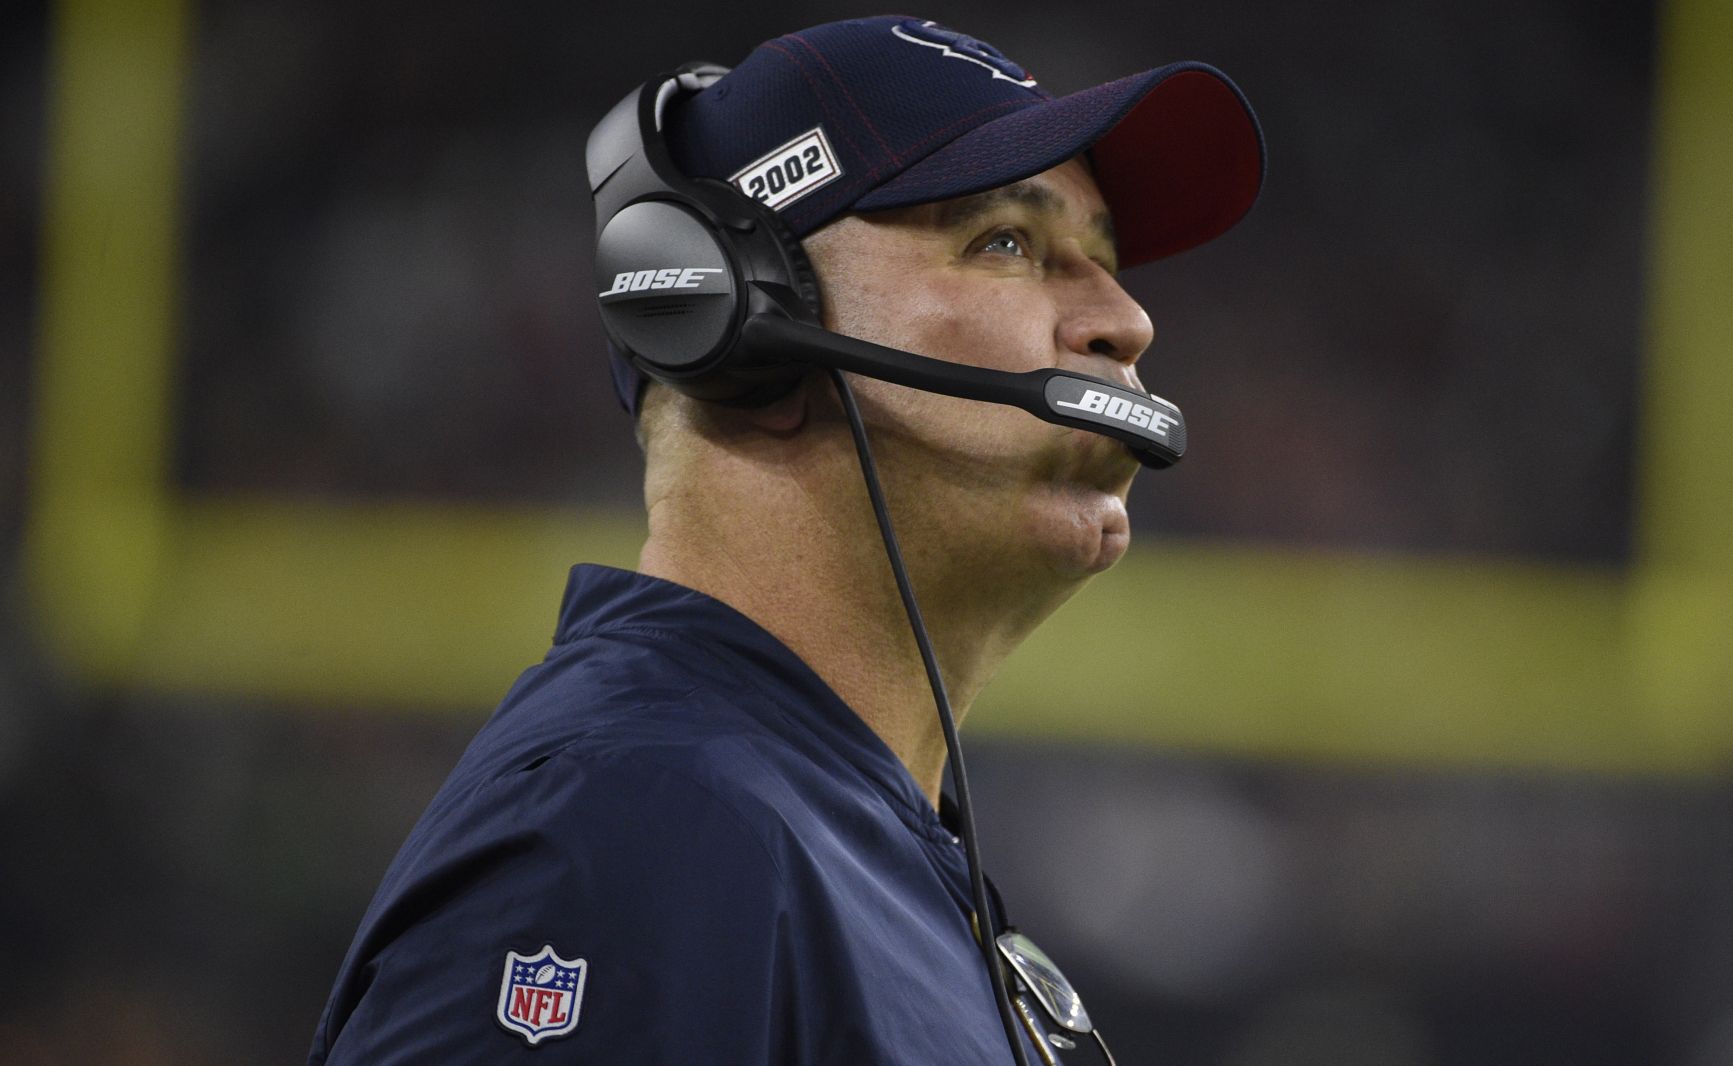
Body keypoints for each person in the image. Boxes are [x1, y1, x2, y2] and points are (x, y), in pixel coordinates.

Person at [308, 15, 1262, 1064]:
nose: (1125, 319)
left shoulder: (812, 837)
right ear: (732, 315)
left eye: (1107, 259)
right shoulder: (642, 830)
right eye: (1006, 243)